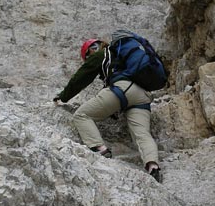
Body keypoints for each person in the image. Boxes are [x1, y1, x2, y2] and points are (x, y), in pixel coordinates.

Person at [53, 38, 162, 182]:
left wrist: (63, 97)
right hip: (142, 95)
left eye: (87, 56)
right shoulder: (123, 56)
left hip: (121, 89)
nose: (88, 59)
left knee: (81, 115)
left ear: (92, 49)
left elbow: (80, 78)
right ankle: (152, 165)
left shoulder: (102, 54)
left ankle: (100, 149)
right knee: (142, 134)